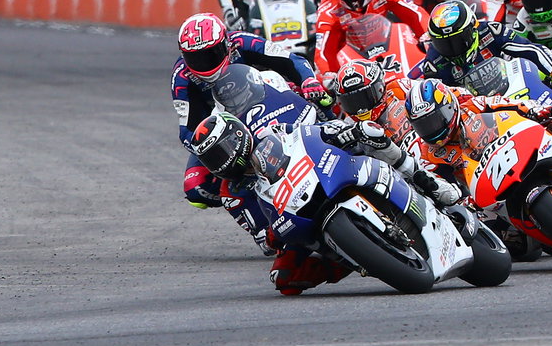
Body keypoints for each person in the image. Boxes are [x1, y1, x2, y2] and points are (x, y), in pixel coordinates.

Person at [190, 109, 461, 295]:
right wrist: (272, 236)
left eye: (223, 149)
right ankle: (354, 257)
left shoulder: (271, 133)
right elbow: (260, 234)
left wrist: (338, 134)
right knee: (284, 280)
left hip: (321, 176)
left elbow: (306, 134)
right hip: (294, 216)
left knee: (370, 135)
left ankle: (427, 181)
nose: (223, 160)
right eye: (214, 158)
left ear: (239, 135)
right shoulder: (232, 194)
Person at [173, 13, 328, 236]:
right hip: (228, 129)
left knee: (322, 97)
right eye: (195, 58)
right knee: (197, 186)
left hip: (270, 98)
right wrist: (215, 151)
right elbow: (188, 130)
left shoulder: (243, 42)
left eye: (210, 55)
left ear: (225, 44)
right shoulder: (182, 77)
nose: (204, 64)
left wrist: (308, 82)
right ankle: (267, 229)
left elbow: (292, 60)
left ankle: (348, 139)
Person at [405, 79, 552, 188]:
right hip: (488, 188)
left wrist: (539, 111)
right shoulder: (429, 152)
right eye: (424, 125)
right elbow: (444, 185)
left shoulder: (471, 105)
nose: (433, 129)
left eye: (435, 120)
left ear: (449, 107)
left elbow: (510, 104)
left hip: (517, 148)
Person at [312, 0, 429, 77]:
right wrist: (328, 73)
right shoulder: (328, 8)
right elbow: (323, 50)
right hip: (348, 60)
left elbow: (415, 13)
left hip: (385, 48)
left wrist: (427, 36)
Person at [410, 0, 552, 89]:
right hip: (483, 112)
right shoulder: (433, 62)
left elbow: (531, 50)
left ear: (472, 28)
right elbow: (445, 100)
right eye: (444, 42)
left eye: (457, 39)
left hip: (516, 87)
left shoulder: (491, 31)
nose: (452, 47)